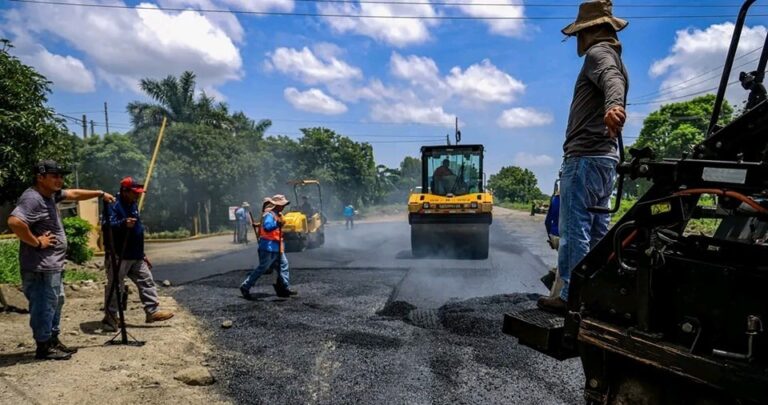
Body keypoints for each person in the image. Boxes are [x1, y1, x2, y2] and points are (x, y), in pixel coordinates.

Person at [537, 0, 628, 314]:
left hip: (586, 158)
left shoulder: (598, 53)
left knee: (575, 228)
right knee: (599, 229)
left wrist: (614, 106)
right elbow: (614, 78)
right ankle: (597, 294)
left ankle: (569, 297)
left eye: (580, 33)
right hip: (605, 159)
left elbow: (611, 81)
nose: (577, 39)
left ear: (590, 30)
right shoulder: (615, 57)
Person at [7, 160, 116, 360]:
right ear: (40, 177)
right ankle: (44, 347)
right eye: (54, 176)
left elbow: (73, 194)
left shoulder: (50, 195)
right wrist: (37, 242)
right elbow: (15, 222)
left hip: (52, 266)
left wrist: (100, 194)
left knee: (56, 302)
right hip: (40, 268)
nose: (60, 179)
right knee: (44, 305)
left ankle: (53, 340)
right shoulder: (32, 198)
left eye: (61, 175)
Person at [102, 176, 174, 331]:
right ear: (124, 191)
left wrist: (142, 254)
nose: (138, 195)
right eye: (135, 192)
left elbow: (137, 229)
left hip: (135, 254)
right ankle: (111, 317)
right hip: (118, 254)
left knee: (146, 280)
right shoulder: (113, 204)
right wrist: (123, 224)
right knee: (116, 286)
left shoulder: (133, 203)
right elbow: (106, 225)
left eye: (139, 192)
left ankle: (152, 312)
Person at [239, 194, 296, 299]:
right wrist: (277, 224)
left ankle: (284, 287)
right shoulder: (269, 215)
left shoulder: (279, 214)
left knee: (284, 265)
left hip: (278, 246)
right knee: (263, 268)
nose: (283, 206)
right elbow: (267, 227)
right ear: (276, 205)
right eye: (282, 204)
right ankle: (245, 286)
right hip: (268, 246)